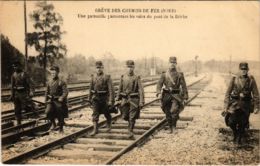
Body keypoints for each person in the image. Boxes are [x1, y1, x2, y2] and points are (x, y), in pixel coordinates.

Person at [223, 62, 259, 142]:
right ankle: (235, 132)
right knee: (231, 121)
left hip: (246, 105)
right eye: (242, 69)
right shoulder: (234, 79)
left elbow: (256, 95)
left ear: (247, 70)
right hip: (235, 104)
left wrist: (256, 107)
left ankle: (238, 138)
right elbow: (227, 93)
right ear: (239, 70)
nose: (243, 71)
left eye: (245, 69)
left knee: (243, 123)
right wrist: (225, 106)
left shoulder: (251, 81)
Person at [156, 57, 188, 134]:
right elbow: (159, 84)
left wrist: (185, 96)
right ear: (168, 64)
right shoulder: (164, 74)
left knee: (174, 111)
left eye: (174, 63)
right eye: (171, 63)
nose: (172, 64)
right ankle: (170, 127)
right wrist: (158, 93)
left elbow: (183, 86)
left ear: (176, 64)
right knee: (167, 112)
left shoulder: (179, 75)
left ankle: (174, 127)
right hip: (166, 95)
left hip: (176, 95)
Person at [116, 60, 145, 138]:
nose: (130, 69)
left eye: (131, 67)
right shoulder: (123, 77)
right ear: (126, 67)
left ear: (134, 67)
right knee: (125, 116)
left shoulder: (136, 77)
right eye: (128, 67)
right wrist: (117, 98)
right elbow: (119, 88)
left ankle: (130, 130)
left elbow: (140, 90)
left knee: (132, 116)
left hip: (134, 100)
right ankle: (130, 125)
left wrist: (141, 101)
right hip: (125, 99)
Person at [89, 61, 114, 136]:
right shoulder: (93, 77)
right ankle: (95, 129)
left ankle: (109, 124)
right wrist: (89, 99)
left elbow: (111, 90)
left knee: (106, 112)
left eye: (100, 67)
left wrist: (110, 100)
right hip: (95, 98)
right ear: (95, 68)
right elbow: (90, 89)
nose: (98, 69)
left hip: (104, 98)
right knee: (95, 113)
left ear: (103, 68)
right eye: (97, 68)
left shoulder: (107, 77)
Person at [10, 60, 35, 125]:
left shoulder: (24, 74)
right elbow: (12, 86)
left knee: (25, 107)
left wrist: (32, 92)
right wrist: (12, 95)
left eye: (16, 66)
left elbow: (31, 84)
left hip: (23, 93)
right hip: (16, 94)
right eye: (14, 66)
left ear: (19, 66)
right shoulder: (13, 75)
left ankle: (33, 113)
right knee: (17, 109)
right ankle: (19, 123)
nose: (15, 68)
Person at [45, 65, 68, 133]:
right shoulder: (49, 82)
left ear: (57, 73)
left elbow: (65, 92)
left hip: (58, 101)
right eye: (51, 73)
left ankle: (61, 128)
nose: (53, 74)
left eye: (54, 73)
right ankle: (54, 124)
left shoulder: (61, 82)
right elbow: (46, 92)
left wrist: (62, 97)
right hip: (51, 100)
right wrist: (45, 101)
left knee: (60, 113)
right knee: (47, 112)